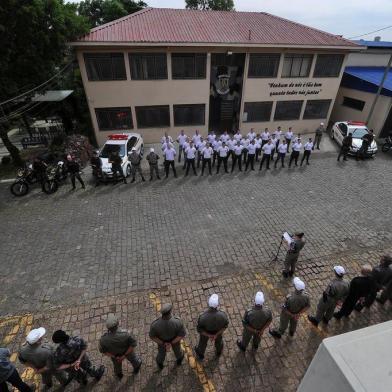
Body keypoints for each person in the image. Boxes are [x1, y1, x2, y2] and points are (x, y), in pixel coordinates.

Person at [99, 314, 142, 379]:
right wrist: (124, 356)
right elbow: (132, 345)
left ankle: (119, 375)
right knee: (134, 360)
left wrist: (116, 357)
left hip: (115, 356)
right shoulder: (126, 334)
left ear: (108, 328)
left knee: (117, 366)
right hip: (127, 352)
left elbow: (104, 351)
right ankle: (136, 368)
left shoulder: (103, 340)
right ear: (118, 323)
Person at [149, 303, 186, 370]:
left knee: (161, 354)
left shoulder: (155, 325)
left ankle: (160, 364)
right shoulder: (178, 321)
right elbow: (181, 335)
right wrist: (171, 343)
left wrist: (163, 343)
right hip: (175, 341)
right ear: (170, 311)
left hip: (162, 342)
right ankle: (179, 361)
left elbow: (152, 337)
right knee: (178, 352)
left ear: (162, 313)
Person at [194, 294, 229, 360]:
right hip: (218, 332)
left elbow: (199, 329)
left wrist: (209, 335)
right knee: (219, 341)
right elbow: (225, 326)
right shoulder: (223, 315)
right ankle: (219, 351)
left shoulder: (202, 317)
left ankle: (200, 354)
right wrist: (216, 334)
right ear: (217, 305)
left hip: (206, 333)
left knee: (202, 342)